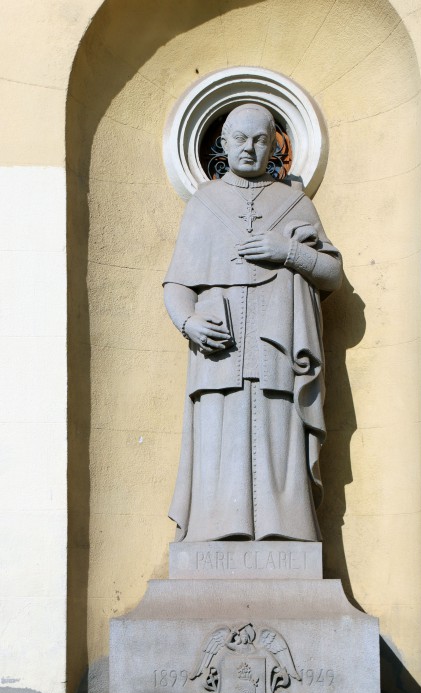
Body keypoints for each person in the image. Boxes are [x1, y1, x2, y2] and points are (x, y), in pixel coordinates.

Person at [163, 103, 342, 542]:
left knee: (279, 438)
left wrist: (288, 253)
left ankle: (288, 532)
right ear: (223, 144)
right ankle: (213, 532)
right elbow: (177, 283)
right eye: (240, 139)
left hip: (278, 346)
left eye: (260, 139)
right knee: (218, 445)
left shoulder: (294, 202)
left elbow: (332, 274)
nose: (249, 148)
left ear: (274, 146)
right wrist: (189, 323)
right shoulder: (205, 203)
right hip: (219, 352)